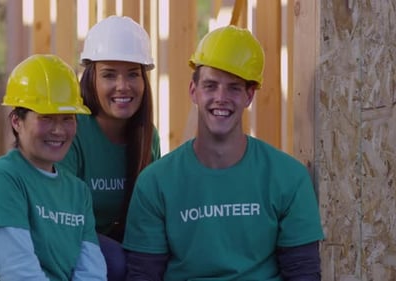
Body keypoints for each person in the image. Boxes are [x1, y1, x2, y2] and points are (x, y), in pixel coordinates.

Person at [123, 25, 325, 280]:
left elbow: (303, 273)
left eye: (234, 88)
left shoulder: (289, 178)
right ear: (193, 91)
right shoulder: (155, 183)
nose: (221, 97)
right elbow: (144, 275)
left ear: (249, 95)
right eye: (210, 86)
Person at [0, 54, 106, 281]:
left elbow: (92, 273)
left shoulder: (78, 192)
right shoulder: (1, 180)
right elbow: (19, 273)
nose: (59, 130)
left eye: (67, 118)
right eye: (47, 118)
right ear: (16, 121)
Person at [58, 15, 160, 281]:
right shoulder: (72, 131)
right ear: (91, 78)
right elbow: (60, 222)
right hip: (68, 243)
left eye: (132, 74)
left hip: (119, 246)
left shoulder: (148, 136)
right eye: (109, 75)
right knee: (115, 262)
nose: (122, 86)